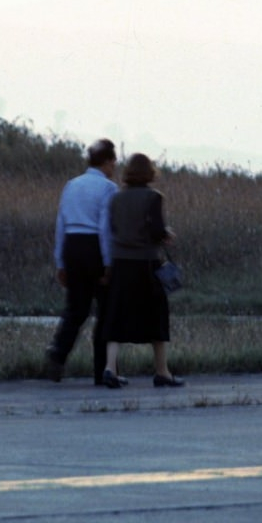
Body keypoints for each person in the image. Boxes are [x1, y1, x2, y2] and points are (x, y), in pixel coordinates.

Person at [45, 138, 127, 386]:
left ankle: (58, 353)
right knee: (105, 311)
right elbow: (105, 227)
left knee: (75, 309)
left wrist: (60, 261)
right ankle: (102, 370)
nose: (114, 166)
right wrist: (107, 262)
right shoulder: (108, 188)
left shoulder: (71, 185)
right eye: (113, 161)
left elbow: (61, 223)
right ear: (107, 161)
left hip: (72, 245)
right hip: (94, 247)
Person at [102, 152, 184, 388]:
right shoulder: (154, 197)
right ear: (150, 173)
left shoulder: (116, 198)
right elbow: (157, 231)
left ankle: (110, 368)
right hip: (147, 262)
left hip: (121, 262)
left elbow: (114, 228)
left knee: (116, 315)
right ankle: (162, 371)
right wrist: (166, 234)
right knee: (156, 316)